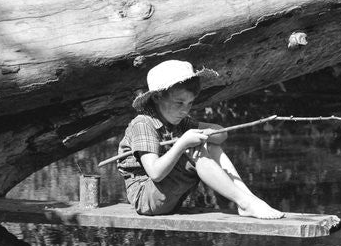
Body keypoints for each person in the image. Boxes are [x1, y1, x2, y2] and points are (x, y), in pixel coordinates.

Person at [116, 59, 283, 219]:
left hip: (170, 196)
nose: (184, 110)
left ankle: (248, 198)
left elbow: (221, 135)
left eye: (189, 104)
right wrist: (182, 143)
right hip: (147, 199)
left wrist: (209, 133)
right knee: (193, 150)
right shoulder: (143, 124)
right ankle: (245, 202)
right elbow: (155, 173)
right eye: (179, 103)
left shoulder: (180, 120)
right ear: (157, 97)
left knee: (211, 146)